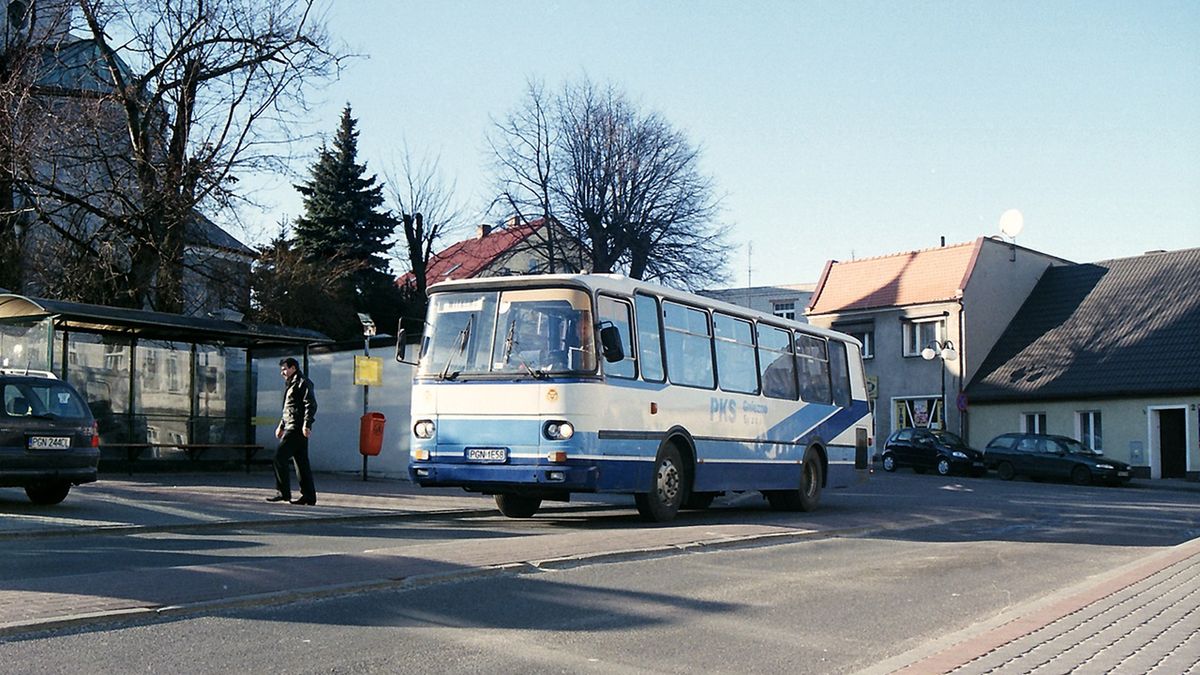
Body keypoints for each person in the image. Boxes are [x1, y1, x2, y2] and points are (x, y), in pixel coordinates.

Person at [267, 357, 318, 505]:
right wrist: (281, 425)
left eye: (284, 368)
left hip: (296, 427)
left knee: (279, 457)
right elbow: (289, 408)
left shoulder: (303, 382)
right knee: (301, 463)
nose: (282, 372)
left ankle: (283, 492)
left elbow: (311, 404)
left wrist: (306, 424)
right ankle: (309, 496)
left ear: (293, 368)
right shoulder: (291, 384)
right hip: (292, 426)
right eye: (282, 369)